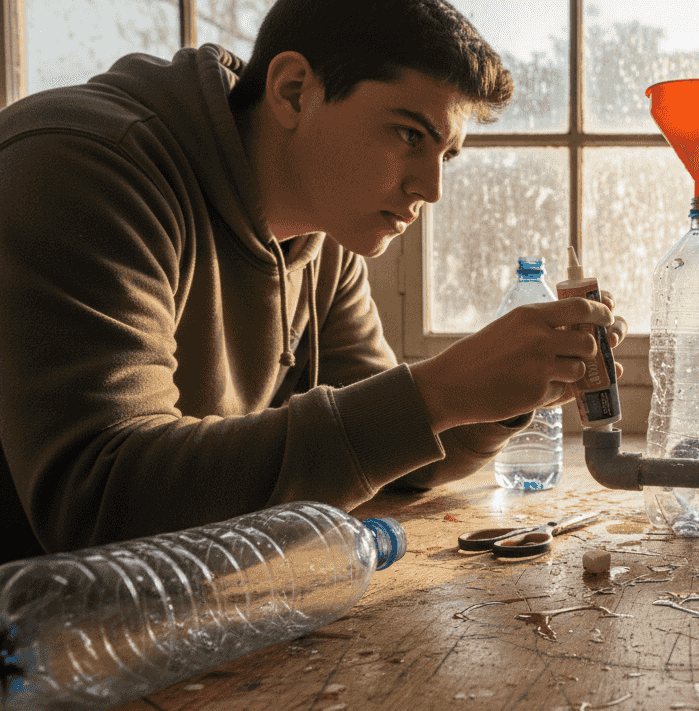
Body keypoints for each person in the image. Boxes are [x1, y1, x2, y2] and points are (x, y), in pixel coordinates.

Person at [0, 0, 625, 563]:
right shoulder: (82, 166)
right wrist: (438, 390)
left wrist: (509, 394)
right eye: (410, 135)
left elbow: (388, 459)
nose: (429, 189)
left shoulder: (322, 231)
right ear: (295, 90)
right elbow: (98, 501)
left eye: (446, 155)